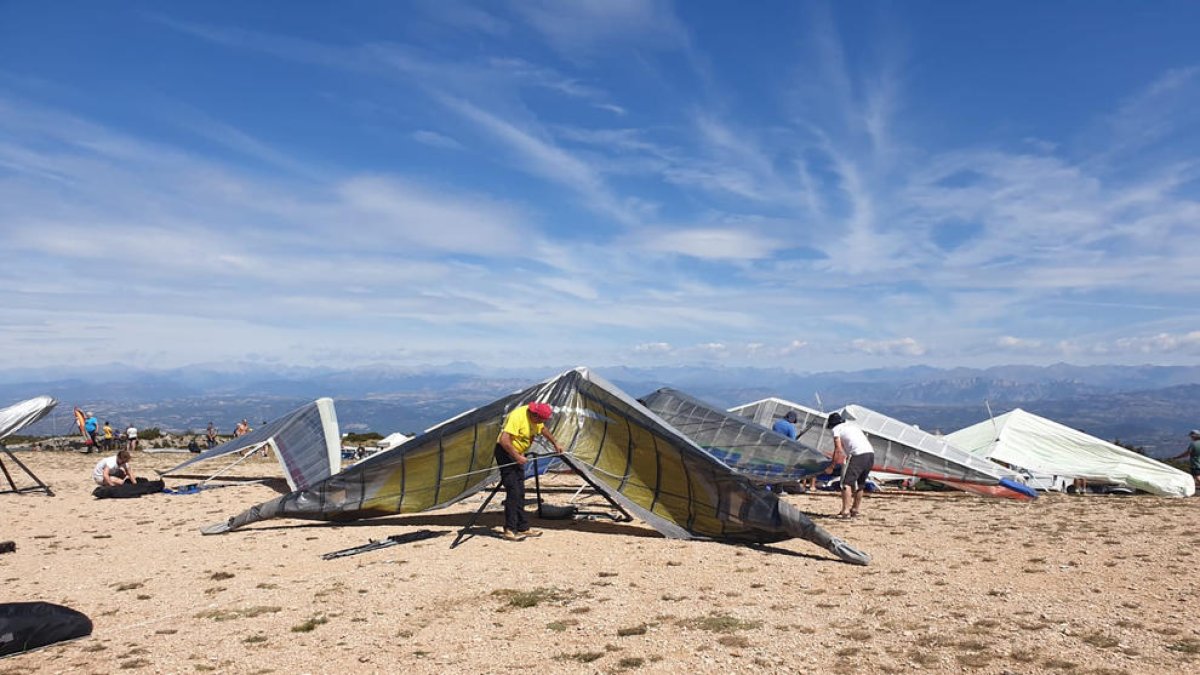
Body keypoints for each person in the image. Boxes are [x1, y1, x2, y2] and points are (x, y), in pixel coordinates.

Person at [494, 402, 563, 541]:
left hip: (518, 453)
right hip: (506, 452)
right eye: (540, 419)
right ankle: (509, 529)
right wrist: (517, 456)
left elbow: (542, 429)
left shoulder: (537, 420)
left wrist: (555, 443)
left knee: (520, 490)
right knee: (513, 490)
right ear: (534, 414)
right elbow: (504, 440)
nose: (541, 422)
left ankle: (523, 527)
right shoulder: (518, 416)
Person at [827, 412, 874, 519]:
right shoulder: (853, 426)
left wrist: (832, 466)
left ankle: (845, 511)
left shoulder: (836, 429)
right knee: (860, 484)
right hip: (870, 454)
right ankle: (855, 509)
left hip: (857, 455)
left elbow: (838, 449)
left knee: (846, 483)